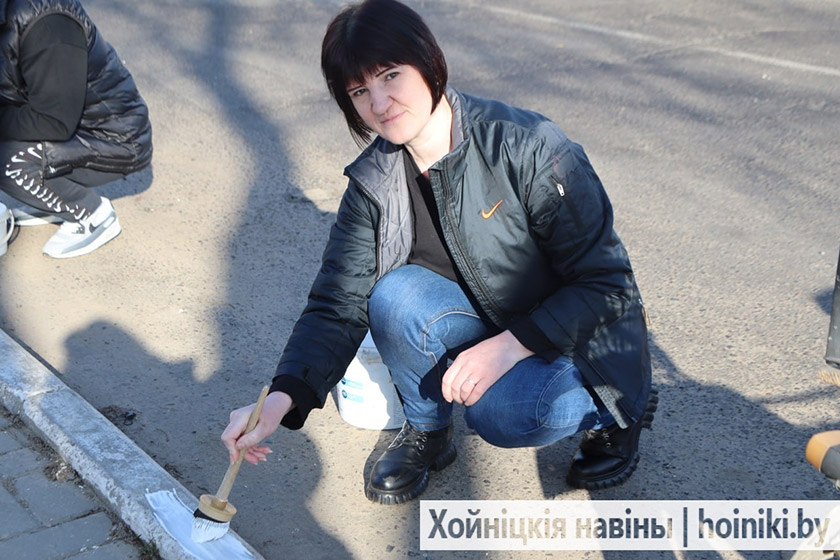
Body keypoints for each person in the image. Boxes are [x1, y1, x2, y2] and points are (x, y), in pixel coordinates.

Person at [222, 0, 656, 505]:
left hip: (583, 340)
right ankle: (428, 432)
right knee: (394, 296)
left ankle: (617, 412)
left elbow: (607, 285)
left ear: (428, 62)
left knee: (500, 414)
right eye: (359, 91)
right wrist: (279, 401)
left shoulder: (527, 147)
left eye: (390, 76)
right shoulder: (375, 181)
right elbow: (337, 304)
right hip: (492, 318)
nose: (379, 103)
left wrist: (510, 347)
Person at [0, 0, 152, 259]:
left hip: (112, 137)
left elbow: (55, 122)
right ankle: (51, 198)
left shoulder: (49, 26)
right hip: (67, 122)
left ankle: (91, 215)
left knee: (6, 160)